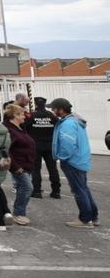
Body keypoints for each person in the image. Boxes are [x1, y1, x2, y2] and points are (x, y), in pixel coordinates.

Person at [49, 98, 99, 229]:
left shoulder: (67, 124)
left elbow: (68, 144)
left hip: (73, 162)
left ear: (61, 109)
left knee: (79, 190)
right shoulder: (75, 121)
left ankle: (85, 219)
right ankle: (93, 217)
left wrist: (62, 157)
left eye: (53, 108)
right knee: (83, 189)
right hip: (80, 160)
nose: (52, 111)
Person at [4, 103, 35, 226]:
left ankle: (19, 212)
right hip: (18, 165)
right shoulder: (9, 129)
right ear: (15, 115)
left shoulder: (20, 127)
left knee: (25, 187)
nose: (24, 116)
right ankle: (18, 213)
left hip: (26, 164)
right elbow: (7, 150)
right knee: (28, 187)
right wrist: (15, 167)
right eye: (22, 114)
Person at [26, 97, 61, 199]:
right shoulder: (52, 116)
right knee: (53, 169)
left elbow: (25, 127)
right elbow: (58, 126)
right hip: (50, 146)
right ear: (45, 105)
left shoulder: (31, 116)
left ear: (36, 105)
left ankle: (37, 191)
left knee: (36, 169)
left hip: (35, 146)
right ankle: (56, 191)